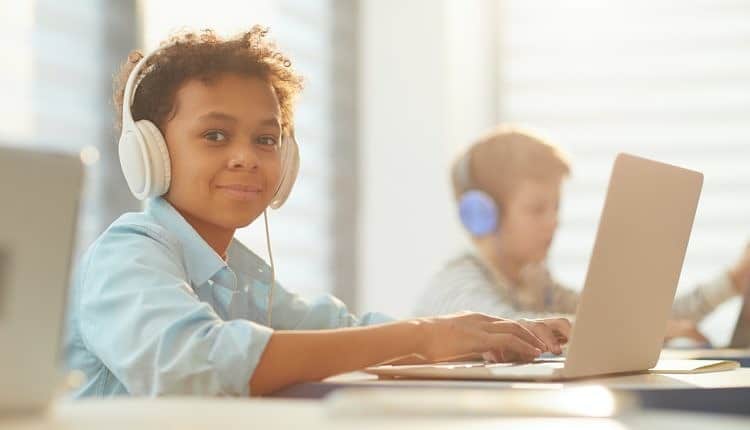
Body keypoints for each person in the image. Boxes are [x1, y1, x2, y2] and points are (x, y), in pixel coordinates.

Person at [63, 27, 570, 398]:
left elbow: (337, 328)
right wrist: (426, 336)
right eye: (215, 135)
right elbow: (199, 365)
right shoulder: (128, 253)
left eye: (265, 139)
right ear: (149, 152)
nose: (246, 156)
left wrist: (479, 335)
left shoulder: (238, 272)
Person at [414, 125, 750, 343]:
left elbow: (614, 318)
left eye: (556, 207)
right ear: (482, 216)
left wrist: (733, 281)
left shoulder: (537, 284)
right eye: (536, 209)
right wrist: (636, 333)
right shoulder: (456, 283)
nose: (553, 222)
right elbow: (507, 330)